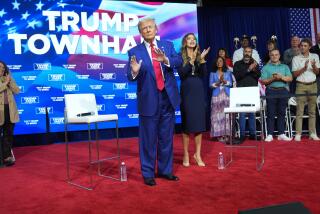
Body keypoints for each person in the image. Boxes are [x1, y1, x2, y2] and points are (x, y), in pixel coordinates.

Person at [127, 18, 182, 186]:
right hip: (149, 100)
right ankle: (148, 173)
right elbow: (130, 76)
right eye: (144, 28)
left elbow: (178, 61)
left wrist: (165, 60)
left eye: (150, 27)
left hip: (168, 98)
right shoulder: (134, 51)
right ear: (140, 32)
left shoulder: (168, 45)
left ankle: (165, 171)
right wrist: (134, 72)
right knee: (148, 140)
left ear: (156, 28)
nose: (148, 30)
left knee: (166, 138)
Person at [178, 33, 210, 167]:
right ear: (185, 42)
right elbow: (182, 73)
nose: (192, 41)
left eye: (194, 39)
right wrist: (191, 61)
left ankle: (197, 154)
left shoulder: (199, 56)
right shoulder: (180, 56)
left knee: (198, 125)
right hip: (187, 91)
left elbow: (203, 75)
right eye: (189, 39)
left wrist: (201, 60)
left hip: (198, 90)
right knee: (187, 125)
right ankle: (186, 154)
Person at [260, 49, 292, 142]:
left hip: (283, 91)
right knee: (271, 113)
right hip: (271, 91)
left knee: (282, 113)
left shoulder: (285, 67)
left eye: (276, 55)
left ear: (279, 56)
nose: (274, 56)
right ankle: (270, 134)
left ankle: (281, 134)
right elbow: (263, 81)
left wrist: (281, 77)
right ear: (270, 56)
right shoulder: (266, 68)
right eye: (272, 55)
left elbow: (290, 78)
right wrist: (273, 78)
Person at [292, 38, 320, 141]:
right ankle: (298, 134)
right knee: (300, 111)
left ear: (309, 47)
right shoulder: (296, 58)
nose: (303, 47)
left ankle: (312, 133)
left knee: (312, 111)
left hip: (313, 85)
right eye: (301, 46)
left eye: (305, 46)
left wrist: (313, 66)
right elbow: (294, 74)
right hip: (301, 86)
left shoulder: (315, 56)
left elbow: (317, 73)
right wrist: (304, 68)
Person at [233, 47, 261, 142]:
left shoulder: (255, 64)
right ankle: (242, 135)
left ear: (251, 53)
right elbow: (237, 76)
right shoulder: (237, 64)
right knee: (242, 113)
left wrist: (253, 69)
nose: (247, 53)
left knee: (252, 113)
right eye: (246, 51)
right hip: (241, 91)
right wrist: (248, 69)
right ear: (243, 52)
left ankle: (253, 134)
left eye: (249, 52)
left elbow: (258, 76)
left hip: (252, 90)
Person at [0, 60, 20, 167]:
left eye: (3, 68)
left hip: (10, 111)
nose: (2, 69)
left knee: (8, 135)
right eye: (0, 67)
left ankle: (7, 156)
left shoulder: (8, 79)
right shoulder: (5, 81)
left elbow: (17, 91)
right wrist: (5, 83)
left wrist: (10, 81)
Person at [209, 56, 234, 142]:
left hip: (226, 95)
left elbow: (230, 84)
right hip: (216, 96)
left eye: (221, 61)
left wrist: (225, 82)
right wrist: (218, 82)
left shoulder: (228, 72)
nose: (219, 62)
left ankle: (226, 134)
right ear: (216, 63)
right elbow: (210, 85)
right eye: (218, 61)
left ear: (223, 62)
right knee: (216, 115)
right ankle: (218, 134)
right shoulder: (213, 73)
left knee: (226, 115)